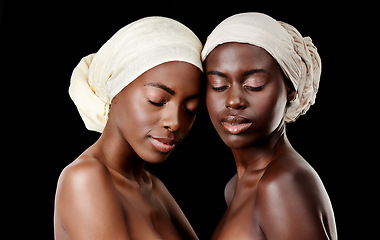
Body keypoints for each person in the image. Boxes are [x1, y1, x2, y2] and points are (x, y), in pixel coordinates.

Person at [54, 16, 203, 240]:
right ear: (115, 88)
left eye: (191, 109)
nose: (175, 122)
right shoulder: (85, 179)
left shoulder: (154, 188)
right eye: (157, 100)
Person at [202, 12, 337, 240]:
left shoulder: (281, 183)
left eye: (254, 84)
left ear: (290, 90)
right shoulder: (235, 187)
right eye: (218, 85)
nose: (234, 101)